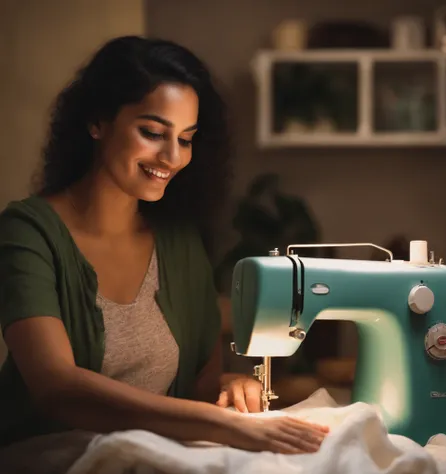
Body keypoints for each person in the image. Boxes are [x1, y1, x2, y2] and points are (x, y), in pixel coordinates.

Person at [0, 36, 329, 472]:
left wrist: (231, 387)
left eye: (187, 139)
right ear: (97, 121)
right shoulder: (28, 232)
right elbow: (56, 387)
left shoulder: (178, 243)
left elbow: (200, 384)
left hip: (154, 456)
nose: (172, 157)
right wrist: (221, 425)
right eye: (153, 133)